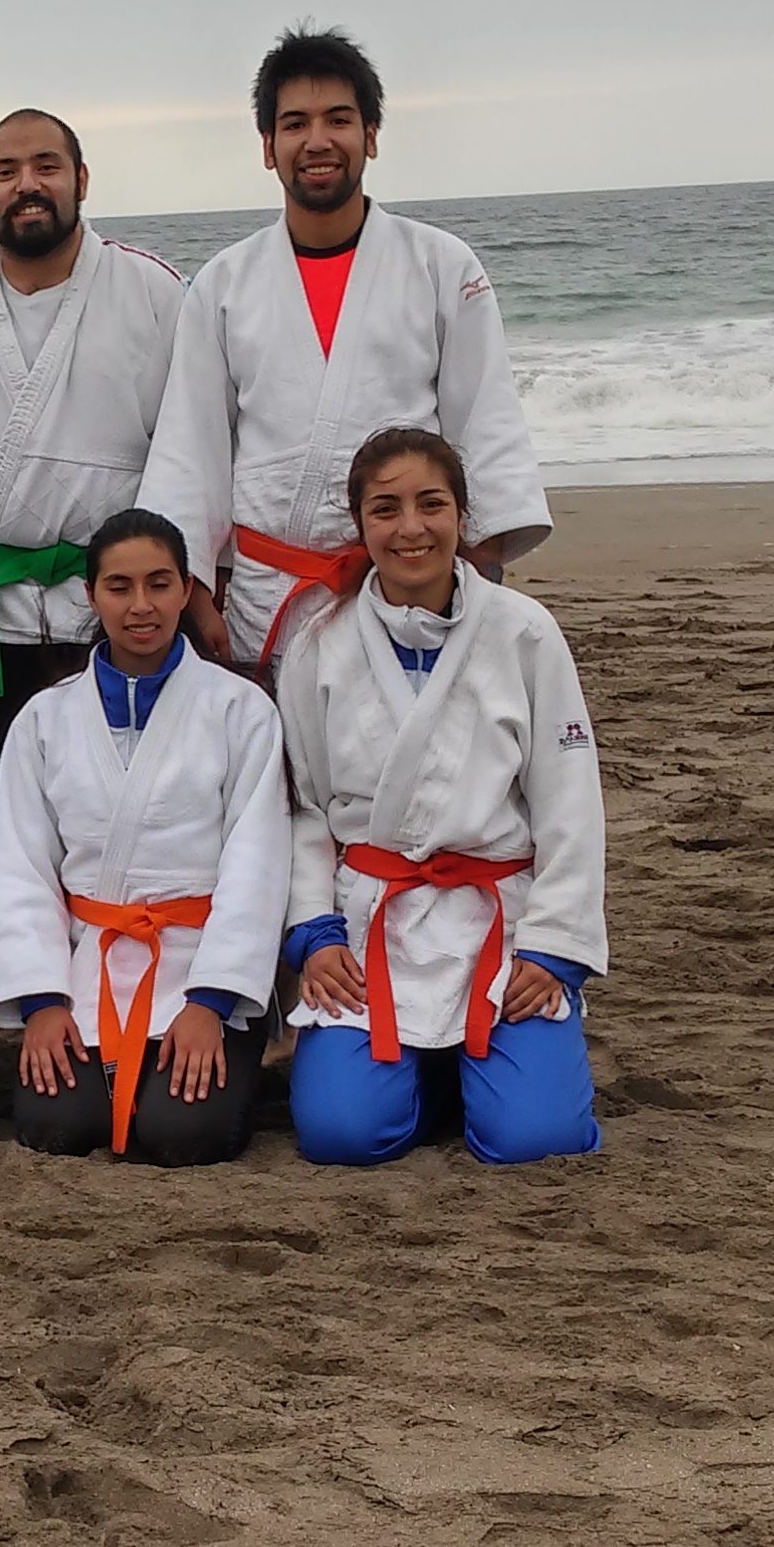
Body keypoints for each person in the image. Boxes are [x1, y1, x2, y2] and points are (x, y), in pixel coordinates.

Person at [136, 27, 553, 677]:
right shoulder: (224, 283)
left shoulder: (442, 266)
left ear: (372, 136)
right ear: (268, 147)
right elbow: (191, 447)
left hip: (408, 583)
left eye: (339, 119)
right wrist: (192, 589)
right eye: (295, 123)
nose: (318, 140)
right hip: (263, 596)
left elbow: (485, 423)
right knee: (268, 775)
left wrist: (479, 571)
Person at [276, 428, 608, 1166]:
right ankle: (432, 1079)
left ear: (462, 515)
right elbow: (302, 808)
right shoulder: (318, 646)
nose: (411, 527)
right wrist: (316, 935)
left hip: (501, 922)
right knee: (343, 1136)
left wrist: (554, 949)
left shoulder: (525, 634)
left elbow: (570, 805)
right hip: (373, 925)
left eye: (432, 504)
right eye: (386, 509)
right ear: (360, 524)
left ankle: (482, 1073)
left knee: (535, 1140)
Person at [0, 107, 191, 749]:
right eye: (5, 171)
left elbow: (192, 451)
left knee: (135, 794)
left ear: (80, 178)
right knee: (8, 796)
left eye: (46, 167)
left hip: (122, 606)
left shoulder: (156, 293)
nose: (27, 184)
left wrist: (172, 583)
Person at [0, 509, 289, 1167]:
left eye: (159, 584)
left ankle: (228, 1049)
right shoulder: (44, 719)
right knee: (57, 1127)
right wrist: (42, 1001)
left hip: (196, 961)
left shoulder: (242, 712)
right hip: (86, 963)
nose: (141, 605)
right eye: (119, 587)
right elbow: (21, 868)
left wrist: (211, 1002)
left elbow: (256, 866)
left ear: (187, 589)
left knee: (183, 1136)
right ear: (91, 595)